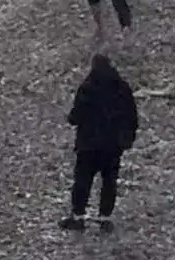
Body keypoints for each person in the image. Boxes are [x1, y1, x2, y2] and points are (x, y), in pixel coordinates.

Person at [59, 54, 139, 233]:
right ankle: (104, 218)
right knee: (109, 182)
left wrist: (72, 119)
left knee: (83, 180)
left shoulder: (87, 88)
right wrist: (127, 139)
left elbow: (75, 117)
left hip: (89, 144)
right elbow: (132, 117)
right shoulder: (122, 88)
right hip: (113, 146)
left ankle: (78, 217)